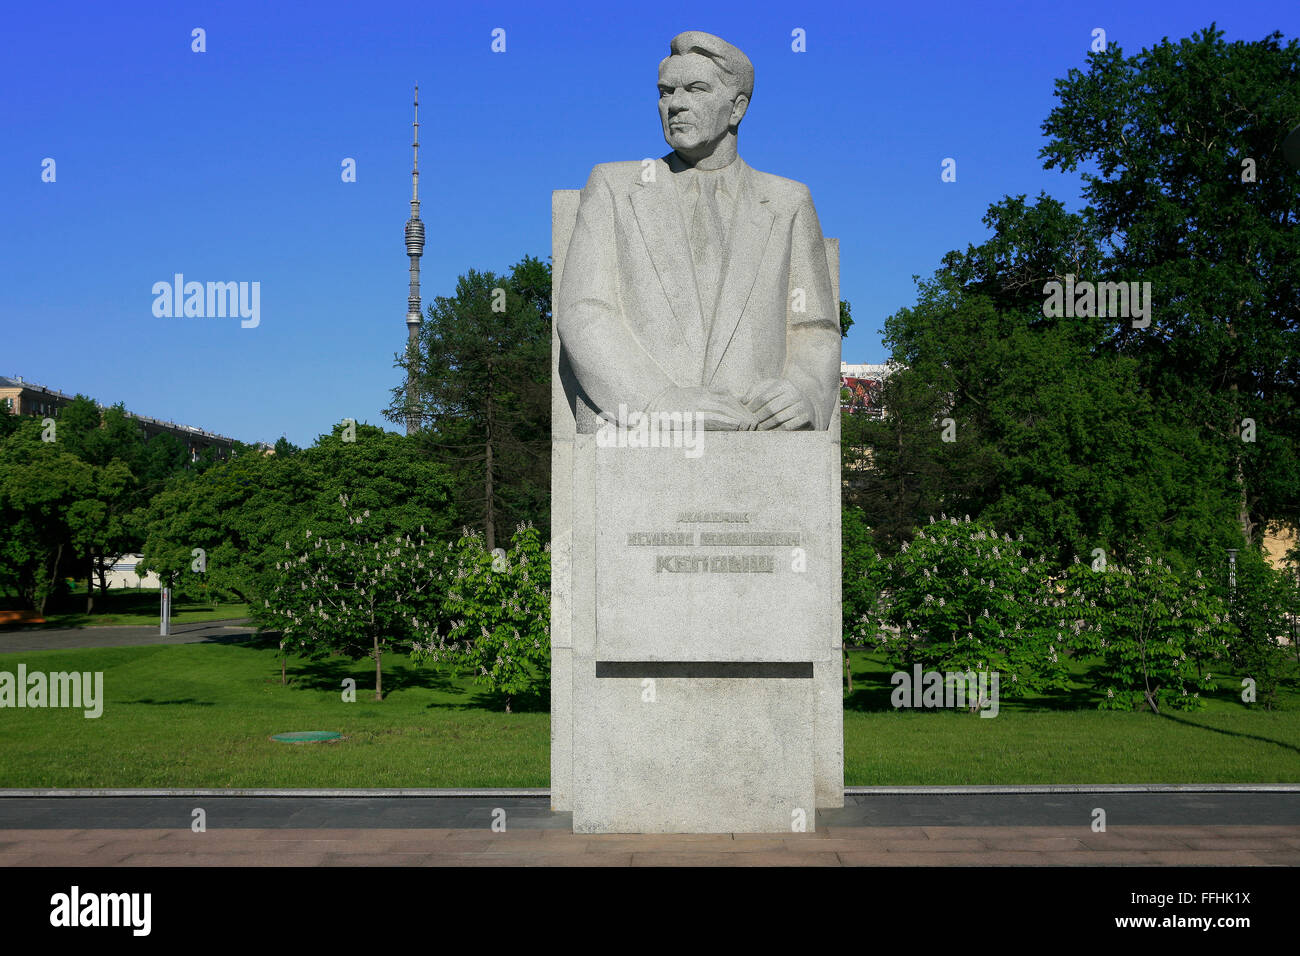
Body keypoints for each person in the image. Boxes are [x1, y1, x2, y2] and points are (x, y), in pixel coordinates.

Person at [557, 31, 840, 431]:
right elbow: (584, 311)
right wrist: (659, 401)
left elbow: (814, 327)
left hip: (760, 443)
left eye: (696, 89)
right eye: (665, 92)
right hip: (640, 444)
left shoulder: (787, 201)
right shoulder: (614, 187)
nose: (675, 104)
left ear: (737, 108)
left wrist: (804, 393)